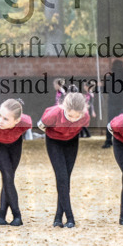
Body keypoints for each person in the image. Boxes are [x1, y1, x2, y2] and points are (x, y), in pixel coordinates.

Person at [39, 88, 91, 228]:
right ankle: (70, 217)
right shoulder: (53, 114)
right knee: (61, 177)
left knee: (66, 179)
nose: (74, 119)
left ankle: (57, 217)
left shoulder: (85, 117)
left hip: (72, 142)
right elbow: (42, 125)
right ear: (64, 108)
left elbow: (81, 126)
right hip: (54, 142)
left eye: (77, 116)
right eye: (70, 115)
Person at [0, 99, 32, 226]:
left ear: (16, 121)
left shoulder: (25, 123)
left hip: (15, 144)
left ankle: (1, 215)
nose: (0, 120)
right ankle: (17, 215)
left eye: (6, 119)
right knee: (7, 175)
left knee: (9, 178)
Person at [104, 59, 123, 148]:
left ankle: (108, 141)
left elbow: (106, 91)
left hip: (113, 102)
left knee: (110, 122)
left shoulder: (109, 79)